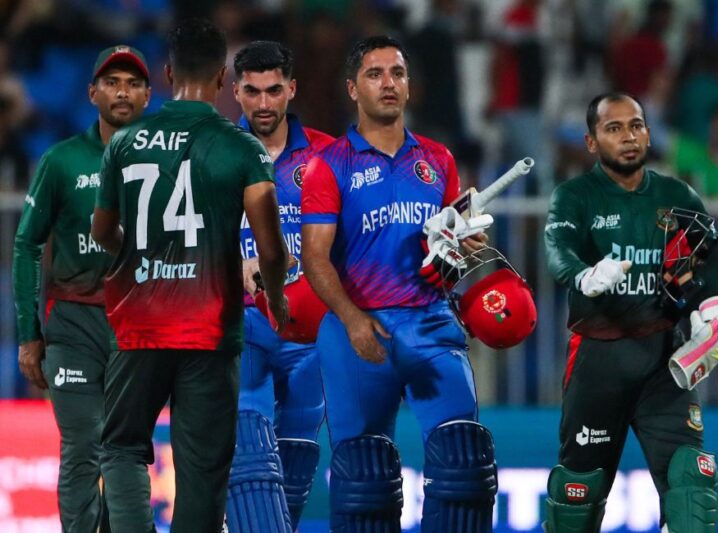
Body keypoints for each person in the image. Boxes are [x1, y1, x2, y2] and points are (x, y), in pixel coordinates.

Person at [90, 19, 290, 532]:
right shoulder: (242, 149)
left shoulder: (125, 142)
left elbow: (103, 230)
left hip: (139, 325)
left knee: (123, 447)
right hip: (208, 329)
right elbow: (271, 248)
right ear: (224, 78)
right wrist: (279, 301)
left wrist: (139, 253)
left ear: (167, 72)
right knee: (203, 469)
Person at [542, 91, 718, 532]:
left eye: (636, 126)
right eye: (613, 129)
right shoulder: (575, 196)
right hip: (598, 364)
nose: (628, 137)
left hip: (665, 363)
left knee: (692, 488)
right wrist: (583, 275)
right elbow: (557, 250)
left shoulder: (675, 194)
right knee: (577, 500)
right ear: (591, 142)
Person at [300, 35, 497, 532]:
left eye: (397, 73)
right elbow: (315, 258)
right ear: (352, 88)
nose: (388, 83)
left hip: (431, 325)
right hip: (359, 333)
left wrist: (461, 252)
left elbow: (445, 255)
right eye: (374, 74)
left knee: (466, 466)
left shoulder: (439, 161)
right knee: (364, 483)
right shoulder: (330, 165)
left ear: (409, 86)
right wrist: (351, 319)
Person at [12, 44, 150, 533]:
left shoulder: (169, 162)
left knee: (125, 448)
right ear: (92, 93)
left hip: (139, 325)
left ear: (149, 95)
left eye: (133, 82)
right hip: (73, 323)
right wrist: (29, 333)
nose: (122, 91)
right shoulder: (62, 161)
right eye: (112, 82)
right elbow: (26, 244)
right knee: (84, 443)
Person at [225, 40, 334, 532]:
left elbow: (357, 241)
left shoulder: (331, 157)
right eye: (252, 91)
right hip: (242, 325)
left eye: (274, 90)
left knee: (293, 475)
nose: (264, 104)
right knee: (249, 461)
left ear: (292, 88)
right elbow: (185, 243)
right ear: (235, 91)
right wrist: (235, 264)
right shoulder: (213, 156)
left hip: (311, 335)